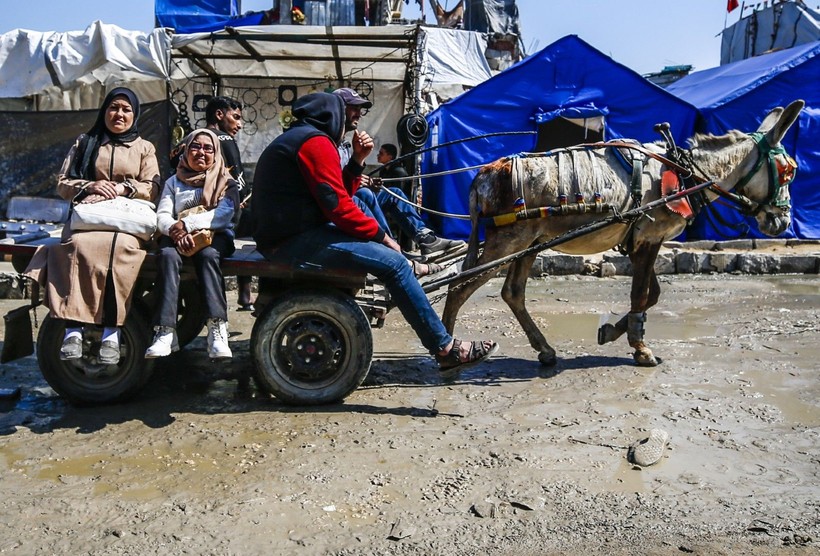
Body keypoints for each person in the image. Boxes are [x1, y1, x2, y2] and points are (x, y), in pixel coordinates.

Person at [251, 92, 498, 376]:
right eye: (350, 111)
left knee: (366, 207)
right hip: (289, 241)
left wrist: (357, 160)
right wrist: (385, 240)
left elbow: (343, 195)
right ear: (334, 114)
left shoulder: (308, 139)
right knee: (393, 264)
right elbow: (338, 207)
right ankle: (445, 349)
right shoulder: (314, 143)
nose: (354, 118)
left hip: (291, 232)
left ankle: (406, 267)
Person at [25, 87, 160, 365]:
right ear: (104, 111)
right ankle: (73, 329)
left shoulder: (144, 148)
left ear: (134, 114)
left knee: (121, 250)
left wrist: (124, 188)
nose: (119, 114)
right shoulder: (85, 142)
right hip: (87, 222)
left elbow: (152, 186)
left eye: (126, 109)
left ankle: (112, 331)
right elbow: (63, 182)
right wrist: (90, 185)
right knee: (76, 247)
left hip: (126, 225)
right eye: (114, 108)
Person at [332, 87, 467, 261]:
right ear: (339, 109)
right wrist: (358, 180)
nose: (358, 114)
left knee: (394, 195)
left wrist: (361, 179)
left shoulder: (345, 145)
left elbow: (346, 177)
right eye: (354, 108)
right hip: (342, 206)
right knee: (364, 194)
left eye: (360, 109)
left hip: (351, 196)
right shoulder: (329, 144)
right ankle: (392, 250)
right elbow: (334, 187)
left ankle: (426, 239)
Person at [146, 129, 240, 360]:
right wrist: (177, 233)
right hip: (178, 237)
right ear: (186, 151)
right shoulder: (173, 182)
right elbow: (163, 215)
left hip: (215, 236)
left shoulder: (225, 181)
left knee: (207, 256)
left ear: (216, 153)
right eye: (195, 147)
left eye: (208, 148)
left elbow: (224, 214)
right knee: (167, 256)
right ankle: (166, 331)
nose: (201, 152)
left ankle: (217, 328)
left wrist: (188, 225)